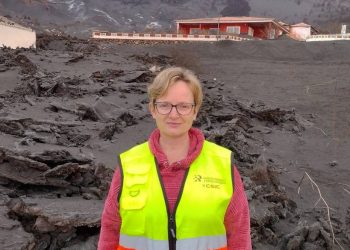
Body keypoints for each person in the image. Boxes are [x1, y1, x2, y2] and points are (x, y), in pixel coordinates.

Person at [98, 67, 251, 250]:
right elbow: (109, 234)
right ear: (153, 109)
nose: (173, 114)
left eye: (183, 106)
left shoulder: (223, 165)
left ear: (195, 111)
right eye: (164, 105)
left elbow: (239, 237)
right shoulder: (128, 165)